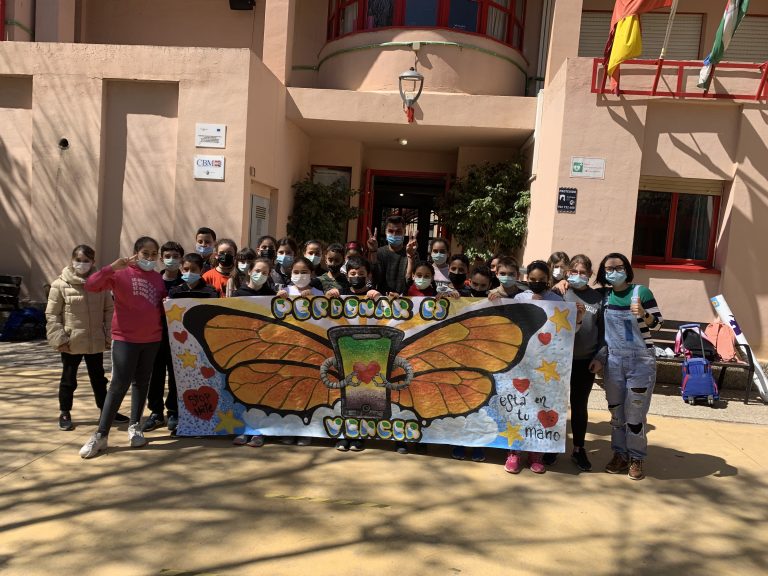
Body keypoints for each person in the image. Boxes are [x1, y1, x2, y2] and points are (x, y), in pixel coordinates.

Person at [78, 237, 167, 458]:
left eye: (153, 254)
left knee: (142, 383)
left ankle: (135, 426)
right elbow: (91, 285)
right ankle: (101, 435)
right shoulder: (120, 273)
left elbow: (162, 304)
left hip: (152, 339)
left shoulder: (157, 278)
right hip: (125, 339)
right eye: (145, 253)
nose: (149, 258)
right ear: (135, 253)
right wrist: (111, 268)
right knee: (118, 384)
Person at [594, 253, 663, 481]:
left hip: (640, 361)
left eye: (618, 267)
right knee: (616, 413)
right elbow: (604, 334)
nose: (613, 271)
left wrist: (644, 314)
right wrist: (601, 357)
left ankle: (636, 457)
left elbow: (659, 324)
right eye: (608, 269)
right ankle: (619, 454)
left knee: (634, 414)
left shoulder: (640, 292)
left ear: (627, 269)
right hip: (614, 361)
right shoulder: (605, 296)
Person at [46, 245, 124, 431]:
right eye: (78, 260)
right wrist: (59, 338)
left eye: (86, 261)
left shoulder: (101, 283)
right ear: (72, 260)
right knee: (68, 379)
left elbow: (109, 310)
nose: (82, 264)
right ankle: (65, 412)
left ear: (93, 262)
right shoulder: (60, 284)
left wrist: (108, 335)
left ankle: (106, 411)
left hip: (94, 340)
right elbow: (52, 314)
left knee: (99, 378)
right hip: (71, 341)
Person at [324, 256, 381, 452]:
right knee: (343, 393)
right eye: (353, 274)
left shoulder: (373, 294)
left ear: (368, 276)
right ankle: (344, 433)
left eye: (361, 274)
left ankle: (358, 434)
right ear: (347, 276)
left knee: (362, 393)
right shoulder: (341, 294)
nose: (357, 277)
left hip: (368, 352)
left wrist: (379, 296)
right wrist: (329, 295)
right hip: (344, 352)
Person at [558, 254, 602, 472]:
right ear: (567, 272)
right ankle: (549, 447)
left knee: (579, 405)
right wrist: (555, 284)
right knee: (555, 404)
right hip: (557, 360)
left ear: (590, 274)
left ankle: (578, 448)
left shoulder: (598, 298)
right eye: (573, 272)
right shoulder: (560, 292)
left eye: (583, 272)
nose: (578, 276)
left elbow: (604, 332)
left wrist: (599, 357)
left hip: (585, 361)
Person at [143, 241, 185, 434]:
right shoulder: (153, 280)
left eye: (175, 257)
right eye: (167, 256)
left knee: (176, 374)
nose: (171, 260)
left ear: (181, 260)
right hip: (154, 334)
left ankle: (174, 411)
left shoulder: (185, 283)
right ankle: (156, 412)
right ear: (161, 258)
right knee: (156, 374)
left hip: (179, 337)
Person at [368, 216, 415, 296]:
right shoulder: (379, 252)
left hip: (405, 301)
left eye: (398, 231)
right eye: (390, 231)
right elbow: (374, 278)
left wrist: (410, 256)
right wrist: (373, 251)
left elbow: (410, 280)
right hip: (382, 300)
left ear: (404, 232)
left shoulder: (412, 253)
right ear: (385, 232)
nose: (394, 234)